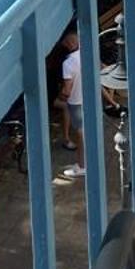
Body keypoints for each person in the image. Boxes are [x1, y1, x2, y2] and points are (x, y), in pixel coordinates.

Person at [59, 25, 85, 180]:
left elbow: (67, 89)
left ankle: (83, 166)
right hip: (87, 98)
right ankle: (81, 163)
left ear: (68, 44)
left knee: (80, 135)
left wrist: (60, 97)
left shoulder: (67, 63)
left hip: (76, 101)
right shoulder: (86, 54)